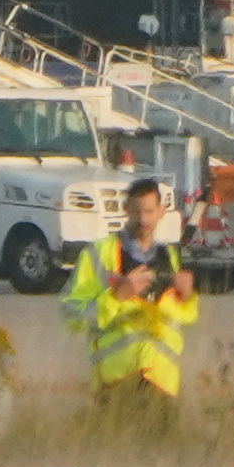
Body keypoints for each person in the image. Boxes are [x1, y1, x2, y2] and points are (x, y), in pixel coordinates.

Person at [71, 178, 198, 436]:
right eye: (137, 211)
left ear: (162, 212)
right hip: (117, 382)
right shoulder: (98, 254)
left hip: (161, 383)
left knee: (161, 465)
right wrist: (117, 297)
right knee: (116, 464)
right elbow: (72, 315)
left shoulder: (171, 258)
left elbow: (181, 318)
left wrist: (187, 297)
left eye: (150, 211)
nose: (143, 219)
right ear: (126, 209)